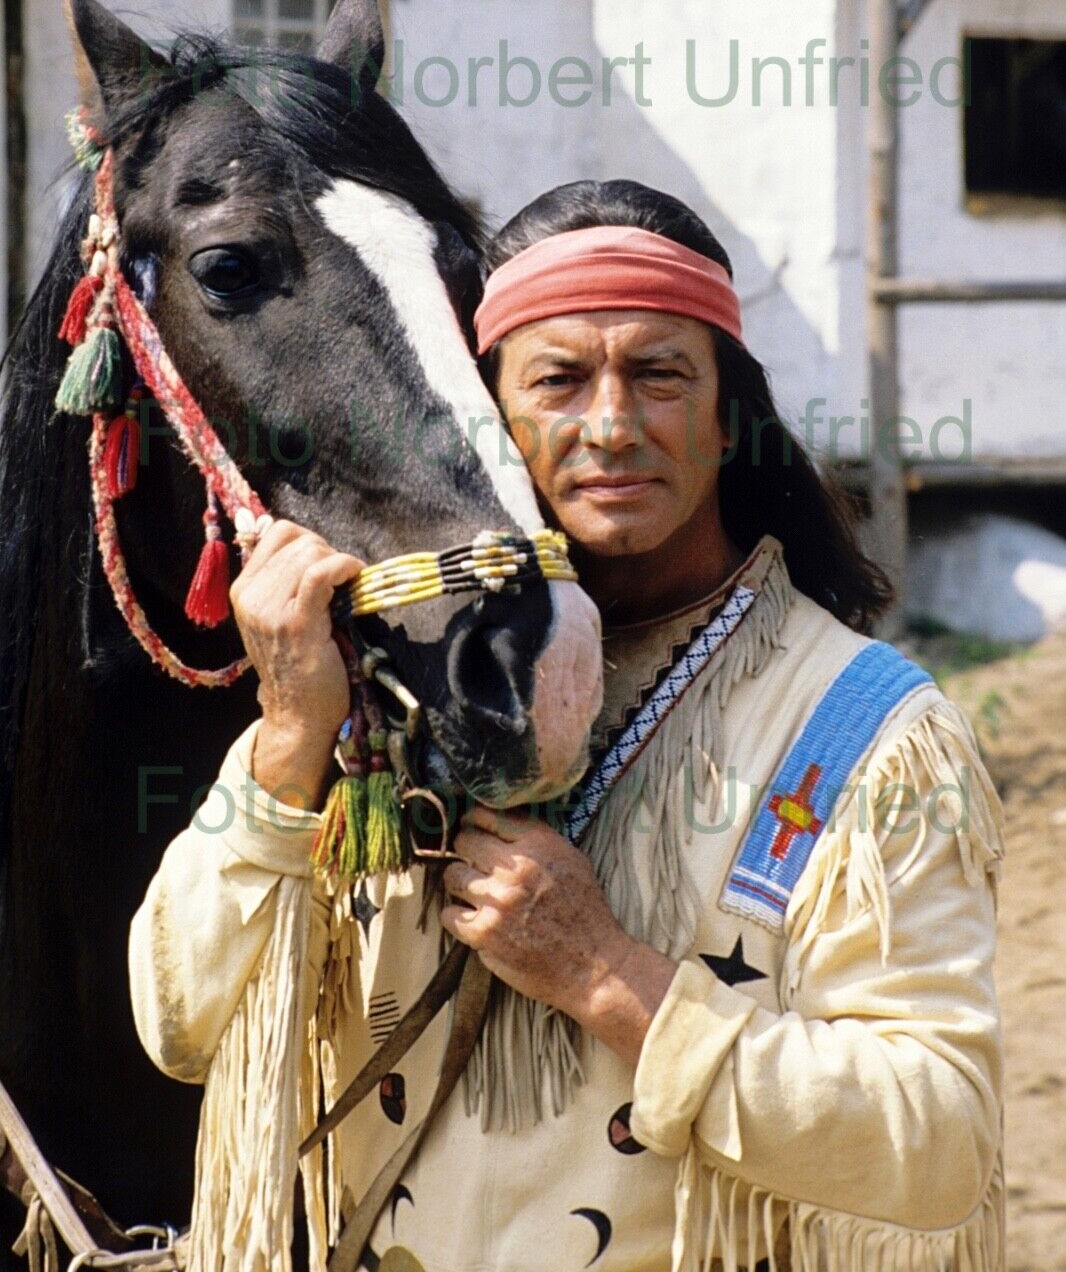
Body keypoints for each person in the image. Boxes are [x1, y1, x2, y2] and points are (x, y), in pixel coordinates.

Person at [129, 180, 1005, 1272]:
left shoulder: (869, 728)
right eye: (556, 379)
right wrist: (287, 735)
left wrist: (608, 975)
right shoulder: (379, 691)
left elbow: (939, 1143)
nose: (608, 424)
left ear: (727, 414)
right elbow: (179, 1024)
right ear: (488, 418)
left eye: (658, 374)